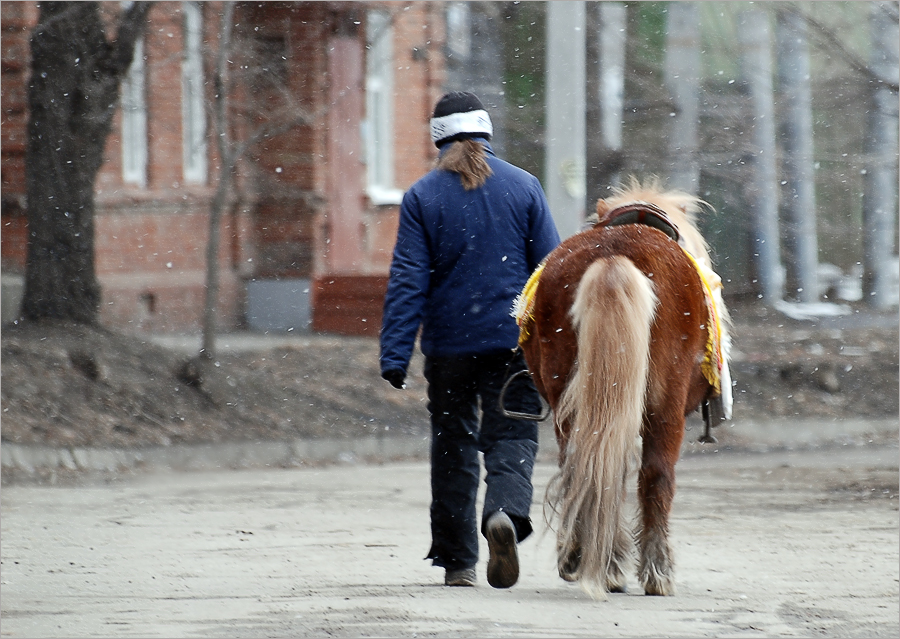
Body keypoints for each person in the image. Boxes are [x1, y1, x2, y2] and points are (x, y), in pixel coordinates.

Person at [379, 92, 561, 589]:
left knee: (452, 442)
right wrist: (563, 346)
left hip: (449, 346)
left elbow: (408, 278)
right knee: (513, 435)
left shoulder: (423, 196)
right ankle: (502, 515)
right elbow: (551, 274)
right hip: (512, 342)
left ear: (438, 137)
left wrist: (395, 352)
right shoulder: (524, 186)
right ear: (486, 132)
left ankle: (459, 561)